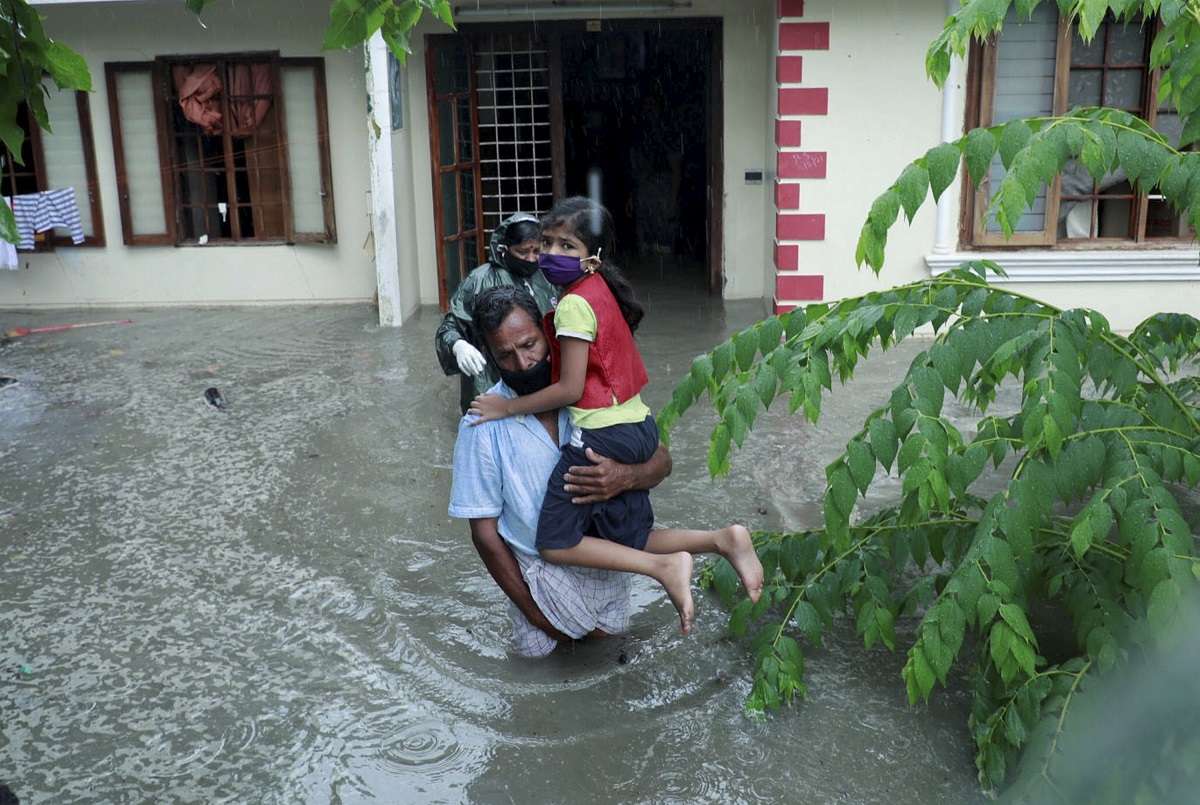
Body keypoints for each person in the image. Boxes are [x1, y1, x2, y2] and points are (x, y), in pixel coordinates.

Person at [468, 198, 763, 634]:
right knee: (628, 538)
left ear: (593, 256)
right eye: (546, 242)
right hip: (636, 424)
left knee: (552, 542)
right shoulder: (599, 292)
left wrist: (507, 407)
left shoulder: (569, 309)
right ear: (488, 354)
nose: (551, 253)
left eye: (567, 246)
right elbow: (484, 533)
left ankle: (665, 568)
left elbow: (570, 390)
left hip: (603, 434)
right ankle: (719, 539)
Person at [449, 286, 673, 656]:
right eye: (505, 355)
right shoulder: (481, 425)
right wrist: (536, 616)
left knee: (614, 671)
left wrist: (625, 477)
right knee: (540, 695)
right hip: (536, 585)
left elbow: (663, 461)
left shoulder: (591, 391)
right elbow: (485, 535)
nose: (523, 363)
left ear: (550, 333)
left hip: (609, 571)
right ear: (489, 356)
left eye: (530, 344)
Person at [434, 213, 558, 414]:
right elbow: (449, 328)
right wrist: (459, 346)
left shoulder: (547, 276)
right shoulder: (479, 281)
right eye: (523, 252)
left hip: (541, 375)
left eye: (537, 251)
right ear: (504, 249)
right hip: (492, 381)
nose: (531, 258)